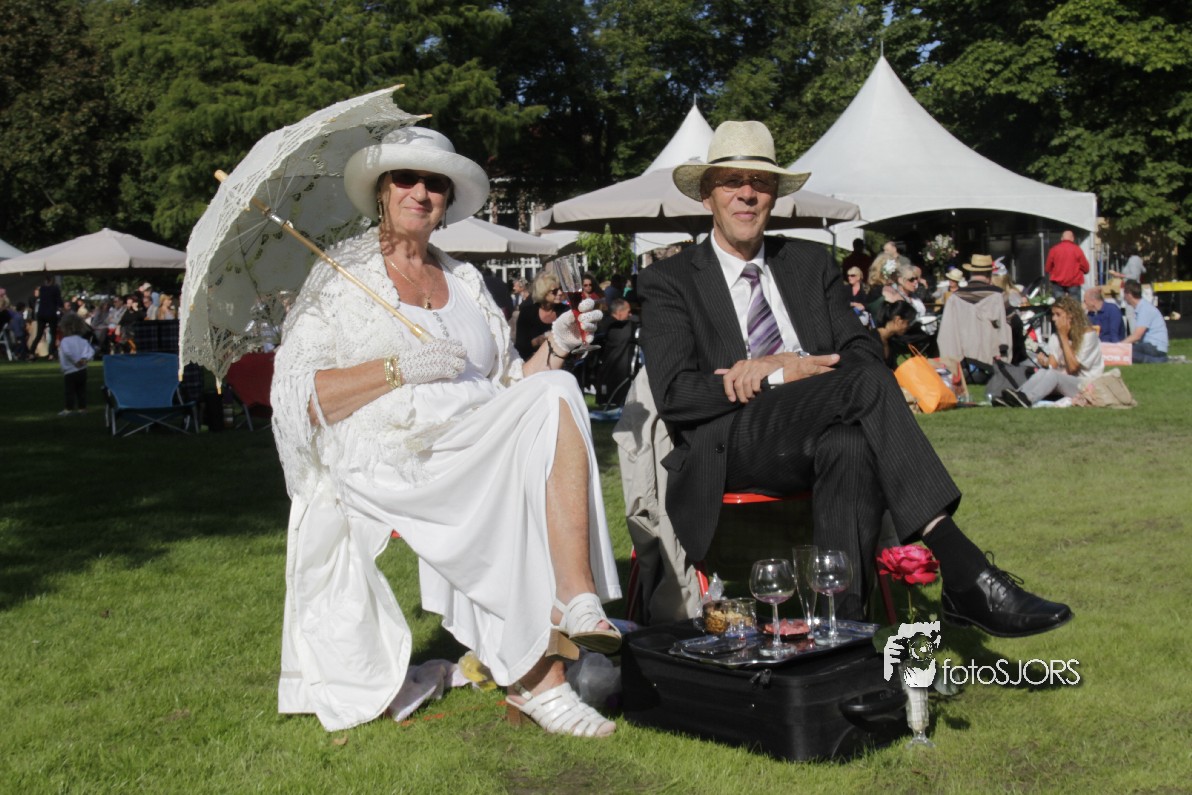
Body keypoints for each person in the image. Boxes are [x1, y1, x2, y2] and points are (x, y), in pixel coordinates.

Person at [638, 119, 1071, 636]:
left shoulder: (807, 263)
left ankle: (841, 633)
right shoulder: (670, 280)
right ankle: (964, 569)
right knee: (864, 387)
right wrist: (773, 377)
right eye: (732, 181)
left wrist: (793, 364)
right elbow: (675, 395)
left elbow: (863, 352)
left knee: (850, 446)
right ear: (708, 194)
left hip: (821, 424)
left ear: (775, 195)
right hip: (731, 441)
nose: (747, 194)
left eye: (761, 183)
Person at [270, 125, 620, 736]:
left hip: (473, 435)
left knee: (559, 389)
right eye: (406, 178)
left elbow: (510, 387)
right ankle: (540, 680)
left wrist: (558, 347)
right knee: (505, 483)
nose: (421, 192)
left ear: (448, 200)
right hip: (394, 454)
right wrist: (398, 368)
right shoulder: (340, 277)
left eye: (435, 183)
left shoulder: (464, 281)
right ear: (382, 191)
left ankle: (573, 596)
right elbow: (301, 396)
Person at [995, 296, 1104, 408]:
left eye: (1058, 314)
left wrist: (1063, 336)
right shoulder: (1056, 337)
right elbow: (1052, 366)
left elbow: (1073, 368)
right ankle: (1018, 395)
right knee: (1043, 372)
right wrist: (1045, 362)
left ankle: (1027, 399)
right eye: (1053, 314)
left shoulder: (1088, 335)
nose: (1053, 318)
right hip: (1067, 382)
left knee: (1053, 375)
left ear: (1070, 316)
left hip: (1088, 385)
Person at [593, 297, 639, 406]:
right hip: (611, 375)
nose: (630, 314)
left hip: (607, 373)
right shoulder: (614, 328)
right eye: (628, 311)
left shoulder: (604, 325)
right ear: (619, 312)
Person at [514, 270, 566, 361]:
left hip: (562, 361)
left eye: (560, 289)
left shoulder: (565, 311)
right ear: (543, 292)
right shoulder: (527, 313)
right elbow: (520, 347)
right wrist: (537, 341)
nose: (560, 293)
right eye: (554, 291)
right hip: (534, 361)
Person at [1121, 279, 1169, 363]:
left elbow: (1137, 336)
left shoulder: (1144, 309)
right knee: (1129, 351)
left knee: (1125, 353)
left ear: (1129, 294)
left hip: (1155, 346)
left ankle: (1157, 360)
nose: (1124, 297)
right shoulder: (1143, 307)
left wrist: (1119, 346)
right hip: (1151, 345)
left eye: (1124, 294)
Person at [57, 312, 94, 415]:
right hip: (82, 370)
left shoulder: (65, 341)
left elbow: (67, 353)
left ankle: (68, 408)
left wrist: (76, 361)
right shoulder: (82, 340)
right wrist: (84, 359)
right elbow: (90, 351)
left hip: (70, 370)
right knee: (81, 390)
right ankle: (82, 408)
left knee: (69, 391)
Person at [1044, 230, 1089, 300]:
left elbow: (1047, 268)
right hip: (1074, 282)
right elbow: (1086, 268)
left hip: (1057, 282)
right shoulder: (1077, 250)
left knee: (1059, 304)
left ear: (1062, 238)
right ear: (1072, 239)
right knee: (1074, 305)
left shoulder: (1054, 250)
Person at [28, 275, 63, 360]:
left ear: (45, 281)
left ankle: (31, 353)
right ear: (52, 281)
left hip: (41, 313)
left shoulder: (42, 289)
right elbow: (59, 301)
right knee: (53, 334)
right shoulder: (55, 289)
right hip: (51, 313)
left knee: (39, 334)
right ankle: (51, 354)